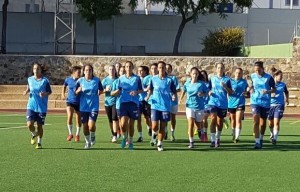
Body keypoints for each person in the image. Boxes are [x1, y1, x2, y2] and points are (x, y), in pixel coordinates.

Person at [145, 61, 177, 151]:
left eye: (163, 67)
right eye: (160, 67)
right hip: (155, 106)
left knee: (162, 126)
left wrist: (174, 96)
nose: (161, 69)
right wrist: (147, 97)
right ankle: (154, 135)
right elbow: (150, 90)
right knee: (155, 126)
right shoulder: (153, 79)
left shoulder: (169, 80)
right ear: (157, 69)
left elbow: (173, 91)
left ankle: (159, 144)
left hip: (165, 106)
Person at [111, 61, 143, 150]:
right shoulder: (121, 79)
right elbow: (116, 91)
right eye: (127, 66)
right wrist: (117, 92)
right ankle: (125, 138)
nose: (128, 68)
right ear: (124, 68)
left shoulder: (137, 78)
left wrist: (136, 92)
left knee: (131, 125)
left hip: (133, 103)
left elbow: (141, 90)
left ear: (132, 68)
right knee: (123, 123)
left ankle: (131, 142)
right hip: (123, 103)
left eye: (130, 66)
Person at [23, 63, 52, 149]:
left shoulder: (45, 81)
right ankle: (33, 134)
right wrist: (26, 91)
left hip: (41, 107)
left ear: (41, 70)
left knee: (40, 125)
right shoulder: (30, 79)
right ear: (33, 70)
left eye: (38, 69)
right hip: (31, 105)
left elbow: (49, 92)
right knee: (29, 124)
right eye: (34, 69)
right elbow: (28, 88)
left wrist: (44, 94)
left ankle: (39, 142)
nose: (36, 70)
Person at [75, 64, 103, 149]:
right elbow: (75, 92)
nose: (88, 72)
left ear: (92, 71)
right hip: (83, 107)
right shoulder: (80, 81)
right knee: (85, 126)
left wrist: (98, 93)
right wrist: (78, 91)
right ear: (84, 71)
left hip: (93, 106)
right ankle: (87, 142)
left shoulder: (96, 80)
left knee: (91, 125)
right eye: (86, 70)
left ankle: (93, 134)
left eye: (90, 70)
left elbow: (101, 90)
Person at [249, 61, 276, 149]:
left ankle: (261, 138)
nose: (257, 72)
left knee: (263, 123)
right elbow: (251, 85)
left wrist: (267, 91)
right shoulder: (252, 76)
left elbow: (274, 89)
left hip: (265, 102)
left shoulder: (268, 77)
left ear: (262, 68)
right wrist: (250, 89)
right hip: (255, 101)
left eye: (259, 70)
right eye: (256, 70)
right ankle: (256, 142)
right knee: (256, 120)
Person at [179, 67, 207, 148]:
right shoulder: (187, 83)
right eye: (193, 73)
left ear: (198, 75)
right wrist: (181, 98)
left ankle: (199, 130)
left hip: (199, 106)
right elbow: (184, 90)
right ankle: (191, 142)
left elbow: (207, 92)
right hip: (189, 106)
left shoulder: (201, 84)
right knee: (190, 123)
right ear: (191, 74)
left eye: (196, 74)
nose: (195, 75)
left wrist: (202, 94)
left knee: (198, 124)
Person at [208, 63, 233, 148]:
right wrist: (209, 92)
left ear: (224, 69)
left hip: (223, 103)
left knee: (220, 122)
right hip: (213, 102)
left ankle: (218, 138)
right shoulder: (212, 78)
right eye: (218, 68)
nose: (220, 69)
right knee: (213, 119)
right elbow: (208, 89)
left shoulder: (227, 80)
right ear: (216, 69)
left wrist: (225, 87)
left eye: (221, 68)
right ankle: (212, 140)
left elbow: (231, 92)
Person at [268, 67, 289, 145]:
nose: (281, 78)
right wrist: (270, 94)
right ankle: (272, 134)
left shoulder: (283, 84)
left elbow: (286, 92)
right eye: (280, 76)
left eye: (282, 77)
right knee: (270, 123)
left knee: (276, 122)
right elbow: (266, 92)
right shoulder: (269, 84)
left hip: (279, 105)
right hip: (270, 105)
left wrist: (287, 99)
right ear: (275, 76)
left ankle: (274, 139)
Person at [228, 68, 248, 143]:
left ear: (242, 74)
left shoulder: (244, 82)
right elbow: (227, 91)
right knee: (233, 120)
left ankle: (237, 137)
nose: (238, 74)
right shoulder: (230, 81)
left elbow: (247, 91)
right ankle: (233, 133)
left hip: (241, 102)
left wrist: (246, 93)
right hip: (231, 103)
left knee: (238, 120)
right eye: (237, 73)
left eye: (240, 73)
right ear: (234, 73)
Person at [62, 66, 82, 142]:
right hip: (69, 101)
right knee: (69, 115)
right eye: (78, 72)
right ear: (74, 72)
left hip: (79, 101)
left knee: (78, 119)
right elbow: (64, 86)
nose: (80, 74)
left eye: (80, 72)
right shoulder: (68, 80)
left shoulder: (81, 80)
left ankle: (77, 135)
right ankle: (70, 134)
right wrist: (63, 94)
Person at [102, 65, 119, 143]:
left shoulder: (118, 80)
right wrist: (105, 90)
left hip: (116, 102)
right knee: (110, 120)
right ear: (108, 71)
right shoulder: (105, 80)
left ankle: (115, 135)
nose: (112, 71)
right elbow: (100, 91)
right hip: (107, 102)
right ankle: (113, 133)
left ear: (115, 71)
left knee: (114, 118)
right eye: (110, 69)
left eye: (113, 69)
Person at [136, 65, 152, 142]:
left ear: (145, 71)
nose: (140, 72)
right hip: (138, 101)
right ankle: (140, 136)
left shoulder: (148, 78)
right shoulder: (136, 78)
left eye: (141, 70)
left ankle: (149, 127)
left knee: (147, 117)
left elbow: (149, 88)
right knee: (138, 118)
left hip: (146, 101)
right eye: (138, 70)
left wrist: (143, 90)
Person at [165, 64, 180, 141]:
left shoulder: (173, 78)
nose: (167, 70)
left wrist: (172, 92)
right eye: (166, 68)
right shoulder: (162, 78)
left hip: (173, 101)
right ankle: (165, 131)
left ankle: (172, 133)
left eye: (169, 69)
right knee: (164, 118)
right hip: (165, 101)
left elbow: (178, 89)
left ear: (171, 70)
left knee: (173, 118)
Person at [198, 70, 210, 142]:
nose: (203, 76)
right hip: (200, 104)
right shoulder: (198, 84)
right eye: (201, 75)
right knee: (200, 120)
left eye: (204, 75)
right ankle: (202, 133)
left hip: (208, 104)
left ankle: (205, 133)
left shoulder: (209, 84)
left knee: (204, 118)